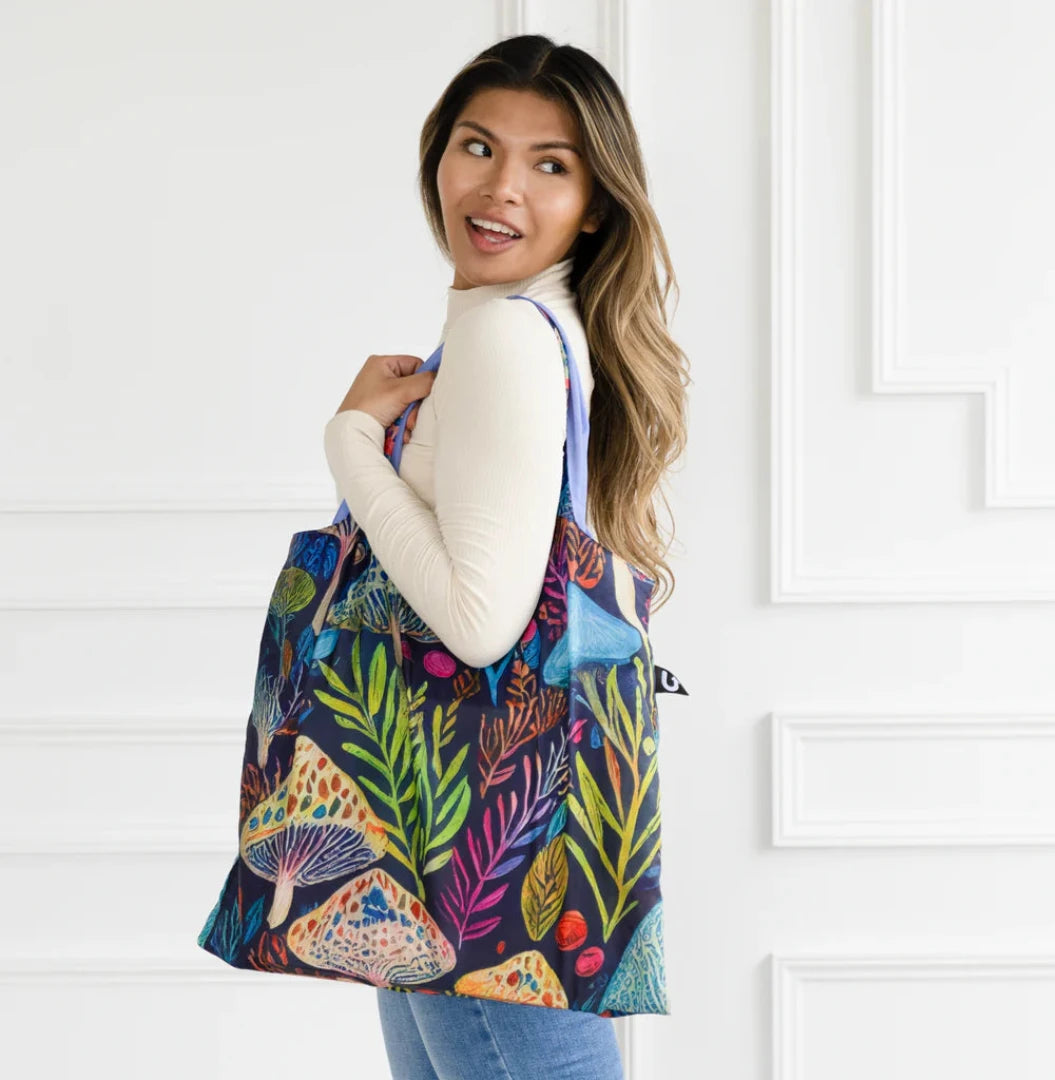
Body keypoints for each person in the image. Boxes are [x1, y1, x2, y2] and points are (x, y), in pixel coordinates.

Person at [322, 32, 689, 1080]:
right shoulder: (539, 323)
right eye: (478, 147)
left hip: (460, 822)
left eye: (550, 163)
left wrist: (350, 443)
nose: (499, 187)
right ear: (438, 153)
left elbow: (479, 621)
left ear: (595, 204)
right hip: (455, 817)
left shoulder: (504, 337)